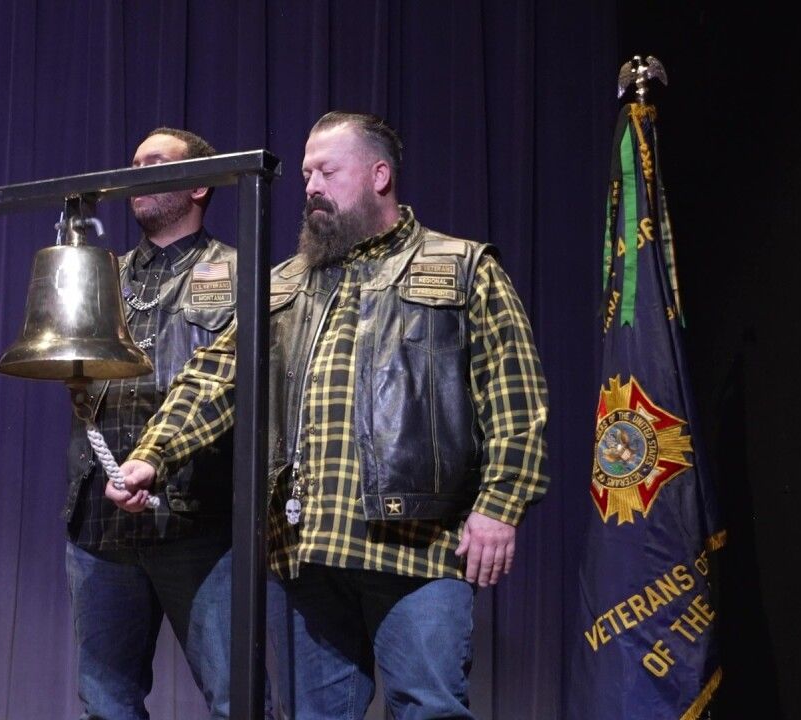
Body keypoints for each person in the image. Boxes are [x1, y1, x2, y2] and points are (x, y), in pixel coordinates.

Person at [110, 111, 550, 719]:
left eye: (327, 170)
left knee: (429, 709)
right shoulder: (285, 283)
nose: (311, 185)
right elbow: (215, 377)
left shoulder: (460, 267)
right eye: (307, 172)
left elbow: (515, 397)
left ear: (378, 174)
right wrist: (151, 456)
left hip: (418, 545)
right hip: (306, 548)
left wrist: (500, 506)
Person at [64, 127, 237, 719]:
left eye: (156, 164)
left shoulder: (245, 276)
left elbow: (228, 388)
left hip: (202, 522)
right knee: (105, 702)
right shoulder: (103, 275)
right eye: (133, 163)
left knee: (238, 700)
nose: (138, 173)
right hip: (101, 519)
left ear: (198, 185)